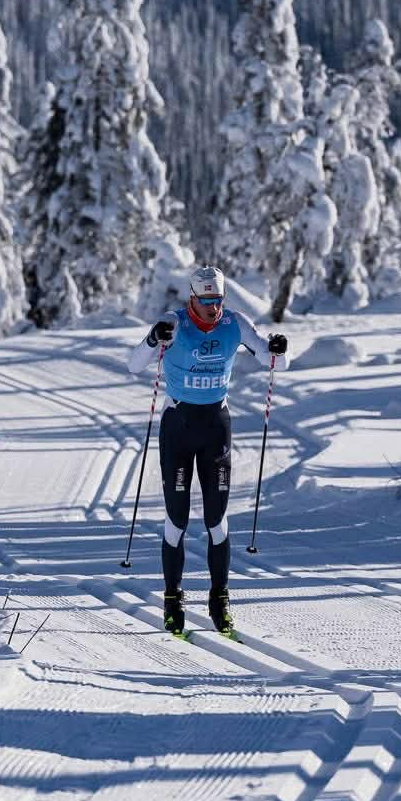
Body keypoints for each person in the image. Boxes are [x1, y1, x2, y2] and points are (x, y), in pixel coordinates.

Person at [127, 263, 287, 635]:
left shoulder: (235, 323)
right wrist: (154, 339)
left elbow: (272, 358)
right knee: (177, 520)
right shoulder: (174, 322)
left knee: (217, 519)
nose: (213, 308)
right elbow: (134, 366)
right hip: (178, 427)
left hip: (216, 425)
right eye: (206, 301)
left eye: (218, 300)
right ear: (192, 298)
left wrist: (280, 348)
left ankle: (220, 599)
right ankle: (172, 599)